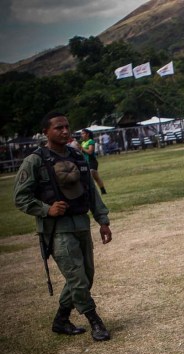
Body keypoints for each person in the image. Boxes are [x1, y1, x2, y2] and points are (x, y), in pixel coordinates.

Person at [14, 112, 114, 341]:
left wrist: (103, 221)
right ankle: (94, 321)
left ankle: (61, 320)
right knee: (77, 278)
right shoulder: (35, 160)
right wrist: (46, 209)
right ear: (46, 132)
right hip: (57, 230)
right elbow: (20, 197)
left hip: (81, 224)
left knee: (86, 276)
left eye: (67, 127)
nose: (65, 131)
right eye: (59, 128)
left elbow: (91, 190)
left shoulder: (77, 156)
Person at [80, 129, 107, 195]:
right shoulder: (83, 143)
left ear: (87, 134)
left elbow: (90, 152)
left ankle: (91, 193)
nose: (81, 135)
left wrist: (82, 148)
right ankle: (103, 190)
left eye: (83, 133)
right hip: (85, 162)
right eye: (81, 134)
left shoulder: (91, 141)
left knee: (90, 176)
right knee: (96, 177)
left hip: (92, 161)